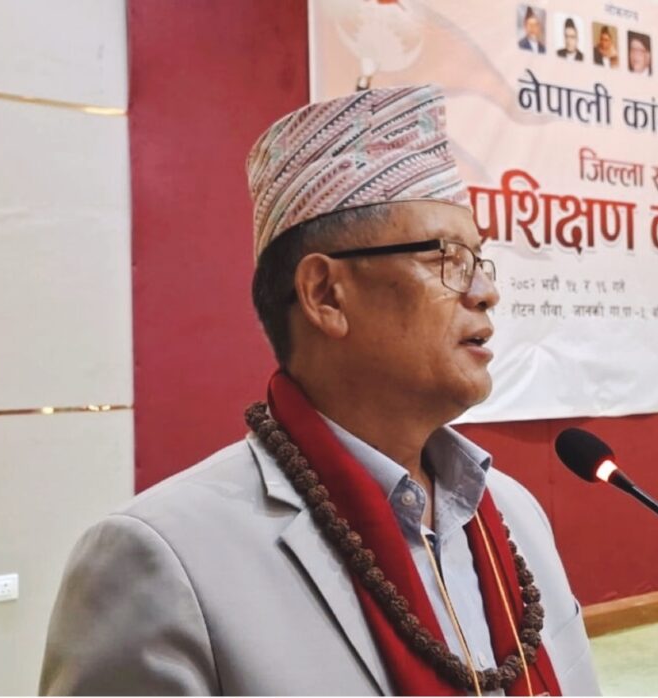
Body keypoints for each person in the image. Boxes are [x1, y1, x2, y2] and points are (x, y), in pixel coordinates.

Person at [38, 85, 601, 696]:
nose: (486, 292)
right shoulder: (166, 560)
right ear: (326, 295)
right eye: (446, 256)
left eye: (479, 260)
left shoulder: (514, 515)